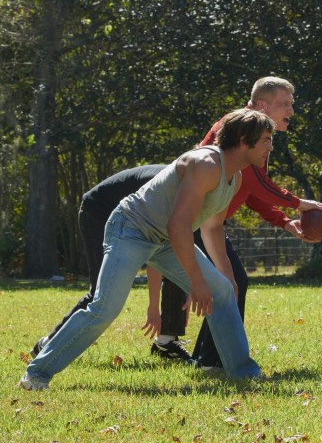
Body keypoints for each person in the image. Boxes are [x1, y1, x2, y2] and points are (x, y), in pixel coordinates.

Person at [19, 108, 273, 390]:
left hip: (163, 240)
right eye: (265, 139)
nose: (270, 147)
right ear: (242, 139)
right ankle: (37, 373)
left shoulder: (233, 177)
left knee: (223, 292)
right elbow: (179, 225)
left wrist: (227, 278)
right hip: (131, 229)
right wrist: (197, 282)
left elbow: (211, 228)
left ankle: (243, 373)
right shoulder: (206, 164)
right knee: (105, 307)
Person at [188, 76, 322, 368]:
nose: (290, 111)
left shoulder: (259, 134)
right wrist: (299, 204)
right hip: (190, 221)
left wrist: (285, 221)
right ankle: (212, 360)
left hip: (207, 223)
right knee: (231, 282)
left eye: (291, 104)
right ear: (262, 105)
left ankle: (207, 358)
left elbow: (251, 192)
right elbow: (258, 183)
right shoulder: (240, 128)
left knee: (230, 282)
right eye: (284, 104)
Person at [29, 165, 193, 362]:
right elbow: (155, 255)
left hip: (126, 216)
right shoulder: (173, 187)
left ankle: (166, 341)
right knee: (102, 291)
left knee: (177, 261)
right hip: (98, 211)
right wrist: (153, 307)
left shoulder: (190, 185)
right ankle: (47, 345)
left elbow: (165, 251)